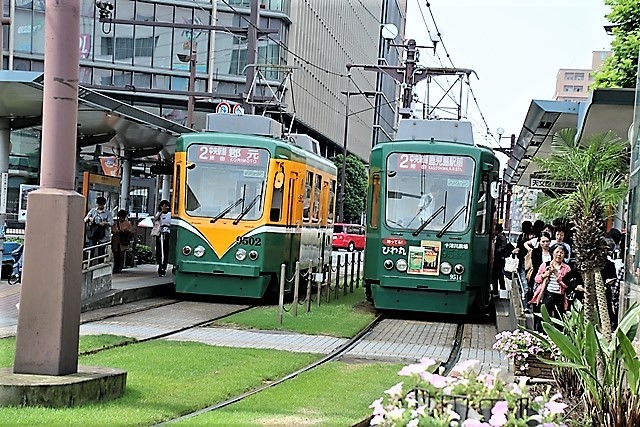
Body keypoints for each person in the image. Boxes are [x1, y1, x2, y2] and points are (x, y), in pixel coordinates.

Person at [530, 244, 572, 329]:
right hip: (547, 295)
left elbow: (566, 285)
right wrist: (545, 275)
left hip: (559, 297)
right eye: (557, 252)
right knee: (544, 319)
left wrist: (557, 274)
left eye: (562, 253)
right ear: (552, 253)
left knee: (559, 322)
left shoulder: (566, 268)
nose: (559, 254)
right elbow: (537, 279)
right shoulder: (545, 265)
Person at [84, 196, 113, 263]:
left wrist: (105, 223)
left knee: (101, 251)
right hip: (93, 233)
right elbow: (85, 219)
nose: (100, 206)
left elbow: (111, 223)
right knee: (91, 249)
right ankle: (89, 263)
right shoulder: (93, 211)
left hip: (103, 235)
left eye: (101, 204)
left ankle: (100, 264)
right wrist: (89, 219)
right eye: (99, 204)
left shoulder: (107, 213)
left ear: (104, 204)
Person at [111, 209, 133, 274]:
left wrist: (122, 231)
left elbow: (129, 231)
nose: (120, 218)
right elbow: (113, 230)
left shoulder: (128, 223)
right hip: (115, 241)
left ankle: (119, 267)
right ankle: (116, 267)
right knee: (115, 255)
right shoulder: (115, 222)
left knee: (121, 255)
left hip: (122, 241)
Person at [154, 200, 171, 277]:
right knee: (159, 251)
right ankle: (160, 266)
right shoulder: (159, 214)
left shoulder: (170, 214)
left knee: (165, 251)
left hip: (167, 234)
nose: (164, 207)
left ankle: (164, 267)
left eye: (165, 206)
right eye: (162, 206)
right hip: (160, 234)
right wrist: (161, 212)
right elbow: (155, 218)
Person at [492, 223, 508, 294]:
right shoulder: (501, 236)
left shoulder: (501, 236)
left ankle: (498, 289)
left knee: (497, 274)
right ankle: (501, 289)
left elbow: (502, 247)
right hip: (500, 258)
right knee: (499, 275)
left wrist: (496, 252)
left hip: (499, 259)